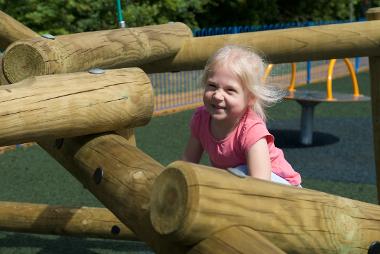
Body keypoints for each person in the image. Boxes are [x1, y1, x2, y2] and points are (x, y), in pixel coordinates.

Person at [182, 45, 301, 187]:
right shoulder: (201, 119)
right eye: (212, 86)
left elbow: (261, 185)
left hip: (282, 186)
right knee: (226, 176)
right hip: (244, 180)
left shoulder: (251, 130)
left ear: (250, 98)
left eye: (230, 90)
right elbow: (187, 163)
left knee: (237, 172)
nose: (217, 95)